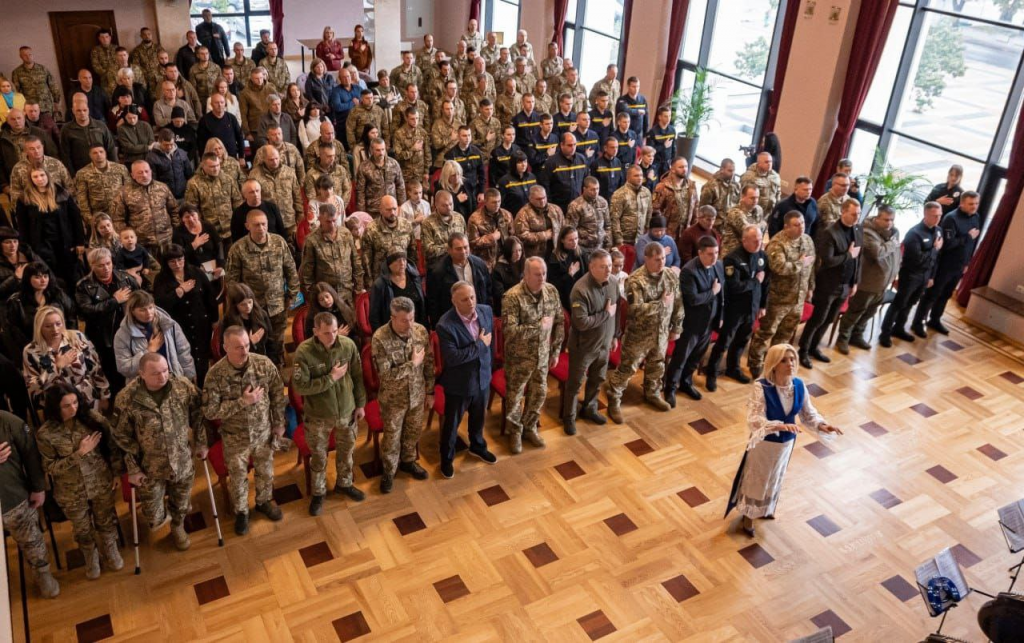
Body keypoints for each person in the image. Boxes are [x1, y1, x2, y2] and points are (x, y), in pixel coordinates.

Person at [725, 344, 842, 537]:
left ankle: (766, 508)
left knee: (775, 477)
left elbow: (808, 413)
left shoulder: (799, 385)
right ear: (774, 363)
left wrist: (823, 425)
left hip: (786, 444)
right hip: (764, 444)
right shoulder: (761, 386)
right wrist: (779, 426)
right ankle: (748, 517)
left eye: (792, 359)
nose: (790, 364)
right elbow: (755, 418)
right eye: (784, 360)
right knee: (758, 479)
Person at [112, 353, 204, 551]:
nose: (162, 377)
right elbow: (121, 437)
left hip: (181, 459)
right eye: (155, 373)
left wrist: (201, 442)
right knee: (154, 517)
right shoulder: (127, 398)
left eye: (165, 371)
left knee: (181, 502)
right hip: (149, 466)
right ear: (141, 373)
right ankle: (164, 519)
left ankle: (178, 526)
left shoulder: (181, 386)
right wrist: (133, 469)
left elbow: (199, 411)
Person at [203, 325, 286, 535]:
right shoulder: (215, 375)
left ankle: (264, 501)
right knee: (238, 478)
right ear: (225, 347)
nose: (244, 351)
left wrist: (279, 423)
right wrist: (243, 402)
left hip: (263, 431)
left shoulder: (263, 364)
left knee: (265, 471)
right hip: (235, 437)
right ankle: (241, 512)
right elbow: (210, 412)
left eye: (247, 345)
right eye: (238, 347)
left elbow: (277, 394)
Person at [35, 384, 122, 580]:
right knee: (82, 528)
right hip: (70, 490)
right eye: (66, 405)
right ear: (55, 407)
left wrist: (117, 473)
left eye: (75, 402)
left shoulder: (92, 419)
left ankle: (110, 548)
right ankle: (90, 556)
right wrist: (79, 453)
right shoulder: (46, 434)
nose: (73, 408)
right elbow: (50, 467)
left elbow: (113, 447)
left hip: (100, 481)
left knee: (106, 519)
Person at [292, 312, 366, 514]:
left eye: (334, 331)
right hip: (318, 416)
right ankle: (318, 493)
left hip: (347, 411)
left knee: (346, 452)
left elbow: (357, 376)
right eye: (326, 333)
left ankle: (345, 483)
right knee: (318, 457)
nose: (332, 336)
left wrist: (360, 404)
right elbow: (300, 387)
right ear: (315, 331)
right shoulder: (304, 352)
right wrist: (330, 378)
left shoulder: (347, 345)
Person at [604, 242, 681, 421]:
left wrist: (677, 326)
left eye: (663, 258)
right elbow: (635, 309)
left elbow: (678, 302)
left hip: (661, 332)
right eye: (657, 259)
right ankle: (614, 398)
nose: (661, 262)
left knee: (657, 365)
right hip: (639, 335)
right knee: (627, 368)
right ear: (646, 259)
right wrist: (660, 304)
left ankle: (652, 393)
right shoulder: (635, 280)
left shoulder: (670, 275)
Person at [371, 297, 433, 493]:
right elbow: (386, 376)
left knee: (413, 432)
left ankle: (408, 461)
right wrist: (412, 364)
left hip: (416, 394)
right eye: (404, 320)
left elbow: (429, 363)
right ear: (392, 318)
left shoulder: (420, 331)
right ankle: (389, 472)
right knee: (392, 438)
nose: (410, 324)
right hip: (393, 400)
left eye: (412, 318)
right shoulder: (380, 338)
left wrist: (430, 391)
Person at [501, 256, 563, 453]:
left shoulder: (551, 291)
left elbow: (559, 321)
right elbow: (509, 331)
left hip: (542, 356)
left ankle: (530, 427)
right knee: (515, 397)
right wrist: (538, 327)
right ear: (526, 275)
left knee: (539, 393)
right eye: (537, 274)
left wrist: (556, 351)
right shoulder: (512, 297)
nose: (542, 278)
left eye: (544, 273)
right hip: (519, 359)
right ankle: (515, 432)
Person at [435, 281, 496, 478]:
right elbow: (453, 358)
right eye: (464, 299)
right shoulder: (445, 325)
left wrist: (489, 367)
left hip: (483, 377)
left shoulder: (485, 311)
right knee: (452, 425)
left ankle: (477, 446)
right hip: (459, 384)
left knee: (478, 418)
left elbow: (491, 344)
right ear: (454, 302)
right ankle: (446, 459)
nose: (470, 302)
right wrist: (480, 345)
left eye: (472, 297)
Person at [226, 210, 299, 365]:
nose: (261, 228)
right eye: (256, 225)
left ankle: (277, 370)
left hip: (278, 305)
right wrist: (239, 307)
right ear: (248, 226)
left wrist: (292, 296)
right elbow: (232, 282)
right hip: (252, 309)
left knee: (277, 344)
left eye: (263, 224)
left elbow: (291, 270)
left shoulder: (279, 242)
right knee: (256, 345)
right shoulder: (238, 249)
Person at [0, 407, 59, 597]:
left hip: (13, 498)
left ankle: (42, 573)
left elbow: (31, 455)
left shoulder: (8, 422)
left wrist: (38, 488)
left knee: (31, 540)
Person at [797, 199, 863, 368]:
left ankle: (814, 347)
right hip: (828, 285)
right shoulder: (830, 233)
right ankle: (803, 350)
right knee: (818, 319)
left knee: (830, 319)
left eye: (859, 214)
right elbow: (827, 261)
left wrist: (854, 282)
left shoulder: (858, 229)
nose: (857, 217)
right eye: (853, 214)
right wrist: (848, 255)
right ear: (843, 212)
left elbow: (858, 258)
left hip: (845, 285)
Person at [705, 225, 767, 391]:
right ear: (744, 240)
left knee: (742, 341)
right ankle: (711, 372)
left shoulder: (761, 255)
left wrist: (763, 304)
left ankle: (733, 368)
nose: (759, 243)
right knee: (724, 342)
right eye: (755, 240)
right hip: (735, 309)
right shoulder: (732, 259)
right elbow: (734, 287)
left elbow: (765, 282)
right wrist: (755, 281)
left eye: (760, 239)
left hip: (752, 308)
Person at [562, 249, 617, 434]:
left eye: (609, 265)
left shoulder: (613, 282)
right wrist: (605, 314)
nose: (608, 270)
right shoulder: (580, 289)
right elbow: (581, 322)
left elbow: (615, 311)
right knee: (575, 384)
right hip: (583, 347)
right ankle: (569, 418)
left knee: (598, 378)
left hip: (604, 344)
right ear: (592, 267)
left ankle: (590, 408)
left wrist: (615, 335)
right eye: (603, 267)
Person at [664, 236, 724, 402]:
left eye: (716, 253)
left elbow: (722, 294)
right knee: (681, 358)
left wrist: (720, 316)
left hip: (708, 323)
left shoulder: (718, 265)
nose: (714, 257)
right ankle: (670, 387)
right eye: (710, 254)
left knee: (696, 357)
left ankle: (686, 382)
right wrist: (712, 292)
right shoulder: (689, 271)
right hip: (691, 324)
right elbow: (692, 299)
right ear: (700, 253)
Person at [912, 191, 981, 337]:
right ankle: (918, 322)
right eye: (971, 204)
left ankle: (935, 319)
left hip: (959, 265)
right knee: (932, 294)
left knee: (946, 294)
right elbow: (948, 244)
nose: (974, 206)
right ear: (962, 203)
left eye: (976, 203)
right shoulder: (951, 218)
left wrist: (967, 262)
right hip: (945, 264)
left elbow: (971, 244)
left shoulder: (976, 217)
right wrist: (967, 237)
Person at [835, 206, 900, 354]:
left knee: (870, 312)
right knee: (855, 312)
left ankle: (857, 335)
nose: (889, 223)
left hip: (883, 283)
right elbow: (877, 252)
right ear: (877, 218)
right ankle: (843, 338)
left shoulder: (893, 233)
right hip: (867, 282)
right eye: (886, 220)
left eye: (892, 220)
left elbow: (894, 254)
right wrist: (892, 243)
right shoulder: (867, 232)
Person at [23, 305, 110, 413]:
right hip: (57, 406)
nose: (55, 330)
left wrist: (104, 395)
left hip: (86, 398)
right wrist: (56, 368)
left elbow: (95, 367)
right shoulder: (30, 351)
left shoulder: (77, 337)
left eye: (58, 324)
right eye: (48, 326)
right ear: (39, 327)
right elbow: (33, 388)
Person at [75, 248, 139, 394]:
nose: (106, 268)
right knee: (111, 371)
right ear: (92, 265)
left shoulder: (125, 278)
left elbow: (141, 298)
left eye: (108, 263)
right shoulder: (84, 285)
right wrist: (114, 301)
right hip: (103, 336)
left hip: (128, 330)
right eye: (101, 265)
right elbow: (86, 311)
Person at [879, 203, 943, 347]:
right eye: (934, 215)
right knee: (899, 303)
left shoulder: (938, 231)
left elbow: (937, 258)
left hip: (925, 275)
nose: (938, 218)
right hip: (911, 274)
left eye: (940, 215)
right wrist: (934, 249)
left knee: (911, 302)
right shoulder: (914, 233)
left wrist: (931, 276)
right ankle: (885, 333)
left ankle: (899, 328)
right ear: (925, 214)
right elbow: (917, 259)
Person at [154, 244, 218, 385]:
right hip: (179, 326)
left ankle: (202, 387)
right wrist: (179, 291)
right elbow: (160, 304)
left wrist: (215, 320)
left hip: (201, 324)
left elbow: (210, 297)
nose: (177, 264)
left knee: (203, 358)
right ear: (166, 263)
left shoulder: (196, 272)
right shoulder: (161, 279)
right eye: (172, 262)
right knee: (185, 359)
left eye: (180, 260)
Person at [16, 168, 85, 291]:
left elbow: (76, 218)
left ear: (47, 175)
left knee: (72, 277)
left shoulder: (62, 193)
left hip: (65, 243)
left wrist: (79, 241)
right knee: (50, 279)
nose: (40, 179)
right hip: (41, 246)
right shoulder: (24, 199)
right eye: (35, 176)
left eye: (42, 175)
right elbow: (23, 227)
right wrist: (26, 250)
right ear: (31, 179)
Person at [113, 290, 195, 381]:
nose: (148, 313)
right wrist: (148, 351)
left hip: (173, 379)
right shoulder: (122, 335)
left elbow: (183, 352)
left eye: (151, 307)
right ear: (132, 311)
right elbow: (124, 368)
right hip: (143, 385)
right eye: (142, 310)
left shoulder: (168, 324)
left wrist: (189, 376)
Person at [3, 261, 76, 359]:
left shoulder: (57, 294)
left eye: (45, 276)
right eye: (37, 277)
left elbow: (71, 317)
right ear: (28, 279)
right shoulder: (16, 301)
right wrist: (32, 349)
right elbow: (15, 332)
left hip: (62, 345)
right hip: (32, 349)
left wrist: (68, 339)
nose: (43, 280)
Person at [299, 203, 363, 313]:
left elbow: (355, 261)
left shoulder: (346, 234)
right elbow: (306, 274)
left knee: (350, 322)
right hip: (326, 297)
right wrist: (313, 297)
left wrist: (359, 287)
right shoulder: (311, 241)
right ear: (320, 218)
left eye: (334, 220)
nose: (332, 225)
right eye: (328, 222)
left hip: (347, 293)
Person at [112, 159, 180, 252]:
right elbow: (118, 219)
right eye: (140, 173)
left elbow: (174, 209)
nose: (144, 175)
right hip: (142, 244)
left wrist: (176, 230)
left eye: (146, 171)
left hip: (166, 239)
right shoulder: (123, 193)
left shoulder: (162, 187)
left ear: (151, 172)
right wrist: (128, 239)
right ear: (132, 175)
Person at [427, 232, 490, 327]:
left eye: (466, 247)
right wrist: (437, 325)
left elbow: (488, 291)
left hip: (478, 317)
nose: (463, 251)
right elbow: (434, 302)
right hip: (452, 322)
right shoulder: (438, 272)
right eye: (458, 249)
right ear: (449, 250)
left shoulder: (479, 264)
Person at [185, 152, 243, 243]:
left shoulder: (228, 179)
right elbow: (192, 209)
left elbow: (237, 201)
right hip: (209, 231)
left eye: (217, 165)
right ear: (203, 166)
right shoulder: (193, 184)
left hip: (230, 228)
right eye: (212, 166)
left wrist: (238, 221)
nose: (216, 169)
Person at [248, 143, 303, 239]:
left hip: (289, 220)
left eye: (276, 158)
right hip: (268, 223)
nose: (275, 162)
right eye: (271, 160)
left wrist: (300, 213)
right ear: (264, 159)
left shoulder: (289, 172)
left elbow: (297, 195)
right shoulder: (255, 175)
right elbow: (252, 200)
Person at [74, 144, 131, 227]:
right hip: (99, 216)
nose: (99, 155)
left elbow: (129, 190)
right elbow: (82, 198)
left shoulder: (120, 168)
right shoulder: (82, 173)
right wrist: (89, 219)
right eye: (95, 153)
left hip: (121, 214)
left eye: (101, 152)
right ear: (90, 155)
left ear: (105, 153)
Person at [369, 250, 426, 329]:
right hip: (393, 330)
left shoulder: (414, 277)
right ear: (389, 264)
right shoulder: (380, 285)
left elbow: (422, 305)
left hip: (416, 327)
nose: (402, 263)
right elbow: (374, 316)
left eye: (404, 259)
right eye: (397, 260)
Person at [61, 98, 118, 175]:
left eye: (84, 110)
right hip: (81, 172)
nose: (82, 113)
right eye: (78, 110)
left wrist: (114, 169)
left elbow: (110, 148)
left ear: (88, 110)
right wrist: (72, 175)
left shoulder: (100, 126)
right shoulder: (67, 130)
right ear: (73, 111)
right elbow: (66, 156)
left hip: (104, 170)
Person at [466, 188, 514, 270]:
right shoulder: (475, 218)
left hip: (505, 260)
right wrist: (492, 238)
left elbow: (513, 236)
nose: (497, 204)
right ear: (485, 202)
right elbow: (472, 243)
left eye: (499, 201)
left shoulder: (507, 215)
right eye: (494, 202)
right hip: (485, 263)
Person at [356, 137, 405, 217]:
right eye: (378, 150)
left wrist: (401, 206)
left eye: (383, 149)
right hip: (373, 210)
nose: (381, 153)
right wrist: (362, 213)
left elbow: (400, 186)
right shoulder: (364, 167)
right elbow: (360, 191)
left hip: (391, 209)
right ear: (371, 150)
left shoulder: (394, 164)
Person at [174, 204, 224, 280]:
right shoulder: (178, 233)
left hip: (214, 266)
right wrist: (194, 245)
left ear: (198, 215)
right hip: (193, 270)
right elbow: (179, 256)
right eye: (187, 217)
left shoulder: (208, 226)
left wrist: (220, 265)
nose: (191, 219)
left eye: (193, 215)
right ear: (182, 219)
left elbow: (219, 245)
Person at [222, 283, 272, 357]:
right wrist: (250, 343)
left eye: (250, 302)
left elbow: (270, 341)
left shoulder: (262, 314)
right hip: (240, 358)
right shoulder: (228, 320)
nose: (248, 306)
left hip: (262, 356)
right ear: (234, 305)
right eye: (243, 304)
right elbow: (227, 350)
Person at [422, 190, 468, 269]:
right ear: (436, 205)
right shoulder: (428, 223)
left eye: (451, 204)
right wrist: (450, 246)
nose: (449, 208)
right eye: (444, 205)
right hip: (438, 265)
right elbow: (428, 251)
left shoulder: (459, 218)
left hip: (460, 262)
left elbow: (466, 239)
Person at [11, 45, 62, 118]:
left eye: (30, 54)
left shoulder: (43, 69)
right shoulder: (17, 72)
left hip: (46, 105)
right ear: (21, 57)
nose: (28, 57)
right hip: (30, 107)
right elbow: (16, 91)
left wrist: (56, 102)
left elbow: (53, 86)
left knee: (48, 123)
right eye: (25, 55)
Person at [232, 179, 287, 244]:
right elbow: (236, 238)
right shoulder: (238, 213)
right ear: (244, 195)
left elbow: (281, 231)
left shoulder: (272, 207)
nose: (255, 194)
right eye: (251, 192)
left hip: (273, 245)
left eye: (257, 191)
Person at [546, 226, 588, 309]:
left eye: (576, 238)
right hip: (565, 297)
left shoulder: (582, 253)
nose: (575, 242)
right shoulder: (555, 258)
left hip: (581, 294)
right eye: (570, 240)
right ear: (562, 240)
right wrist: (569, 275)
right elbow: (554, 285)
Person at [610, 166, 652, 247]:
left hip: (641, 238)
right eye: (636, 176)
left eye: (641, 175)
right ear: (628, 177)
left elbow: (649, 212)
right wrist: (619, 240)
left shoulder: (646, 192)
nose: (640, 178)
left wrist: (647, 229)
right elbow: (614, 219)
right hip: (625, 240)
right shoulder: (619, 194)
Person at [197, 93, 244, 160]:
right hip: (213, 159)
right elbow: (201, 142)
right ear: (211, 104)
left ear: (225, 103)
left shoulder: (231, 118)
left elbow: (240, 137)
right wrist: (203, 159)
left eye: (222, 102)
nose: (220, 105)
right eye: (216, 103)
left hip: (232, 157)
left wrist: (241, 156)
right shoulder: (204, 120)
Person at [740, 152, 781, 217]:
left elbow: (778, 193)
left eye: (771, 161)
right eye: (766, 162)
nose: (769, 164)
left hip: (768, 214)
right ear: (759, 163)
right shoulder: (749, 177)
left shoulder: (775, 176)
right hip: (753, 213)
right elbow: (741, 196)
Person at [497, 150, 535, 216]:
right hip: (513, 216)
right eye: (520, 162)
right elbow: (501, 204)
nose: (523, 165)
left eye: (525, 161)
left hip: (531, 215)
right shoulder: (504, 181)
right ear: (513, 164)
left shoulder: (532, 177)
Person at [239, 68, 273, 142]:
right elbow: (243, 114)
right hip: (255, 129)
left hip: (271, 126)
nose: (259, 80)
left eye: (261, 78)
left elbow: (277, 106)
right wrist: (247, 133)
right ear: (251, 79)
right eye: (256, 78)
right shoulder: (245, 93)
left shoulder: (270, 89)